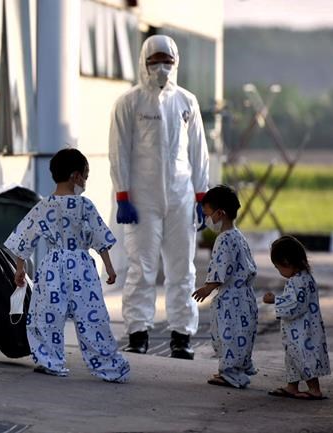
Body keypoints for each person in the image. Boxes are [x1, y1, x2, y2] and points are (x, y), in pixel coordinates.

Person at [109, 34, 209, 359]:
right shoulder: (130, 103)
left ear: (176, 62)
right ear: (144, 63)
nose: (162, 67)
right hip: (141, 199)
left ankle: (182, 335)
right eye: (155, 61)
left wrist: (201, 195)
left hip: (181, 197)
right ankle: (138, 332)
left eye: (167, 60)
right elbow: (119, 151)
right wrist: (122, 193)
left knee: (183, 270)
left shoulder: (187, 102)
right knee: (142, 268)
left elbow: (199, 152)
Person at [4, 148, 130, 383]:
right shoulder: (86, 206)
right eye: (86, 175)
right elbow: (99, 239)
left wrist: (19, 269)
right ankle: (110, 366)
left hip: (52, 266)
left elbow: (25, 237)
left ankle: (49, 361)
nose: (85, 181)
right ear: (75, 176)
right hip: (82, 267)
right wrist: (110, 269)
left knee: (45, 315)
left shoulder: (44, 206)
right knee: (92, 318)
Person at [192, 185, 258, 388]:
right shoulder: (238, 235)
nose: (207, 219)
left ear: (220, 213)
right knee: (240, 336)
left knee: (229, 335)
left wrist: (207, 288)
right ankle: (236, 369)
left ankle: (230, 374)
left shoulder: (224, 239)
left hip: (232, 300)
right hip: (245, 297)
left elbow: (223, 269)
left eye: (208, 214)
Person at [263, 236, 330, 400]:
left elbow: (296, 305)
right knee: (293, 358)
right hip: (296, 331)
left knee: (304, 357)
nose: (279, 272)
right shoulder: (303, 278)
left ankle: (314, 389)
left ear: (286, 262)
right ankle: (292, 386)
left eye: (278, 267)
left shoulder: (299, 281)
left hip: (304, 331)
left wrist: (275, 300)